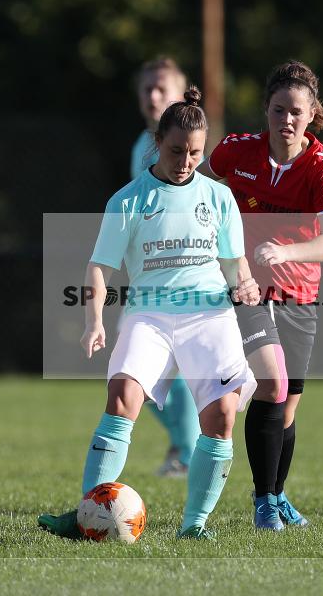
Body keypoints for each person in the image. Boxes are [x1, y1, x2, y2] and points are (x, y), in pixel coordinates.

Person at [39, 87, 260, 540]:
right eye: (177, 150)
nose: (186, 161)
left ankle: (194, 527)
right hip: (150, 315)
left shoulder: (219, 198)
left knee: (220, 417)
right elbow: (99, 268)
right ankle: (88, 517)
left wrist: (246, 283)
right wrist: (94, 321)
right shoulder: (129, 199)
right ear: (157, 142)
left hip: (208, 315)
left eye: (196, 153)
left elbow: (236, 263)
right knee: (122, 398)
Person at [198, 61, 323, 531]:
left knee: (287, 405)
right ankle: (264, 503)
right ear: (266, 110)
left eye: (296, 112)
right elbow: (198, 185)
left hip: (299, 292)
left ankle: (278, 494)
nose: (287, 120)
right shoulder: (236, 152)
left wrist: (289, 251)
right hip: (244, 287)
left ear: (311, 114)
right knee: (272, 384)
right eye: (278, 110)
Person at [130, 57, 201, 478]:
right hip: (149, 277)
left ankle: (189, 453)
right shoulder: (143, 145)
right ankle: (186, 446)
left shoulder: (194, 145)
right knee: (133, 372)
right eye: (147, 90)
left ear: (181, 94)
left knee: (169, 369)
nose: (154, 96)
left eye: (162, 89)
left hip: (185, 278)